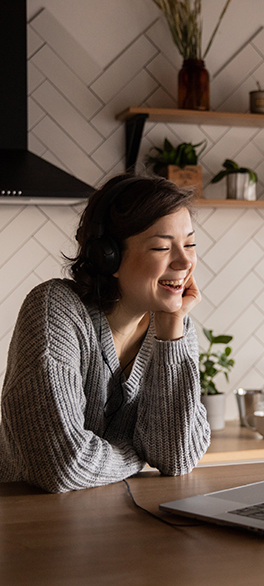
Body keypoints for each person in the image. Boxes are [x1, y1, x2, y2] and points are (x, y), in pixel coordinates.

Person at [0, 174, 211, 493]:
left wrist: (171, 336)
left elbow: (176, 458)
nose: (184, 262)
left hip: (112, 516)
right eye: (161, 247)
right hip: (27, 519)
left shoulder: (175, 326)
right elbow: (61, 466)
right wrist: (136, 455)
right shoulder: (56, 309)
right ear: (108, 256)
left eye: (190, 244)